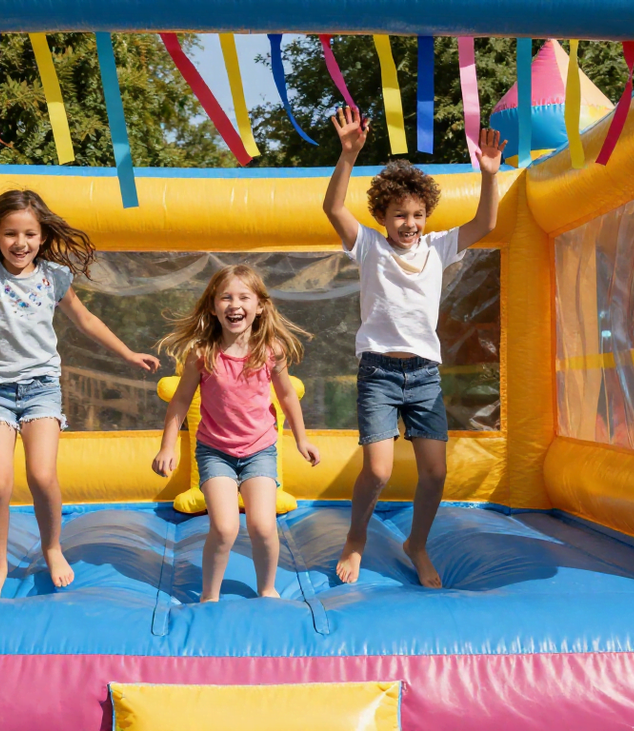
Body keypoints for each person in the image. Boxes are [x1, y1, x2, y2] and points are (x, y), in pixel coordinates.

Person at [0, 189, 160, 599]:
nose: (20, 243)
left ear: (42, 237)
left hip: (41, 388)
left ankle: (53, 548)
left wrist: (128, 353)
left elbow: (85, 320)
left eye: (29, 234)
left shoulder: (54, 276)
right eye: (10, 234)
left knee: (41, 475)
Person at [322, 107, 506, 588]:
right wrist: (348, 155)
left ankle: (416, 544)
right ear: (381, 216)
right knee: (378, 471)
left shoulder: (438, 247)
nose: (410, 224)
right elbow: (333, 209)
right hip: (380, 373)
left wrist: (490, 175)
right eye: (400, 215)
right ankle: (356, 537)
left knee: (435, 473)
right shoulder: (369, 247)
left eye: (418, 215)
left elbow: (485, 222)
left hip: (424, 375)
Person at [152, 265, 320, 602]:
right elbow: (181, 400)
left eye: (244, 297)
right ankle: (209, 594)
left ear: (260, 307)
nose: (234, 304)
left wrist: (302, 438)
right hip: (215, 452)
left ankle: (267, 588)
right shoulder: (202, 354)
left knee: (263, 526)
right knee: (225, 527)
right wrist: (167, 446)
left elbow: (287, 396)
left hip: (260, 450)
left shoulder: (270, 351)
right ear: (213, 307)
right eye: (226, 297)